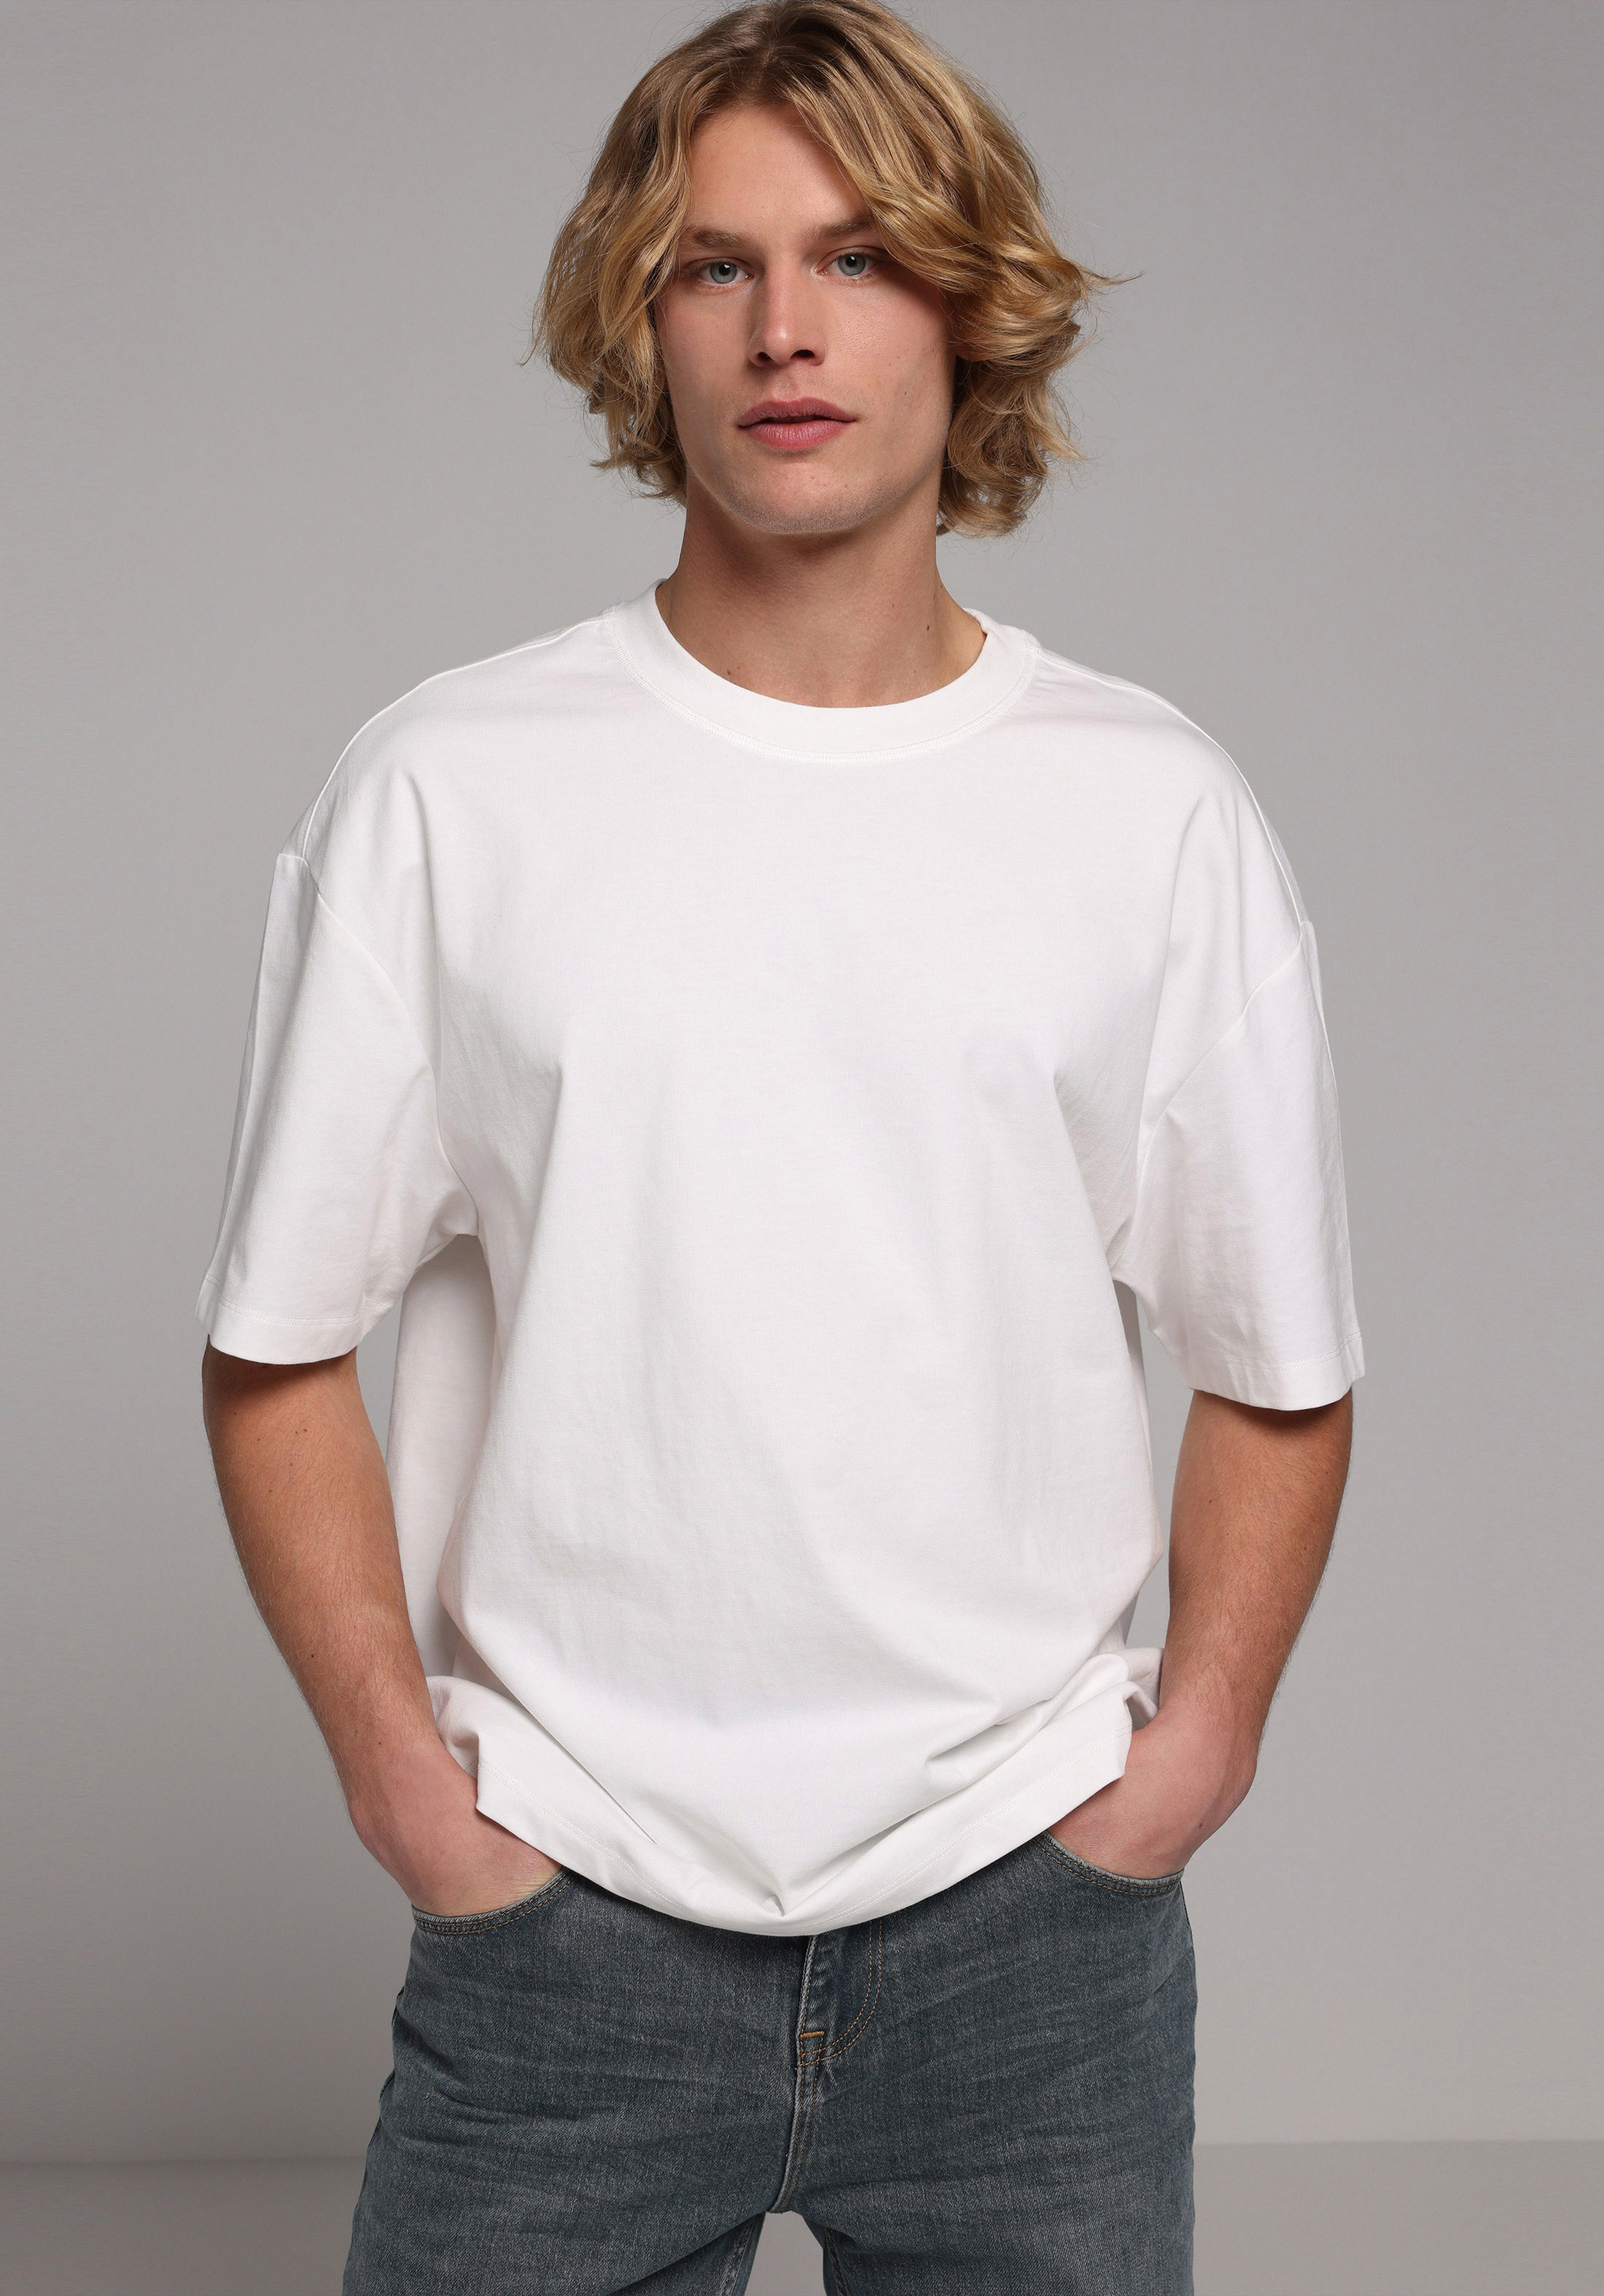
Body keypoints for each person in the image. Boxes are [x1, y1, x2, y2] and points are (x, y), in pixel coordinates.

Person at [198, 4, 1360, 2289]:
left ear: (971, 302)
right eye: (714, 265)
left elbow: (1278, 1360)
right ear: (642, 318)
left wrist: (1190, 1757)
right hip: (563, 1929)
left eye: (859, 256)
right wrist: (410, 1793)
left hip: (1032, 1929)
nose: (786, 330)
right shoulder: (450, 790)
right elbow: (274, 1346)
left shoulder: (1155, 814)